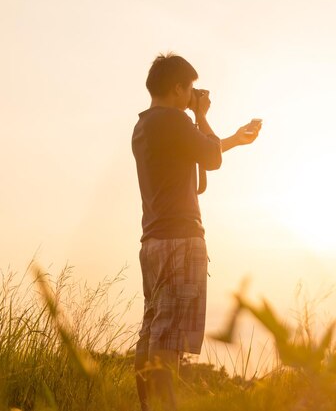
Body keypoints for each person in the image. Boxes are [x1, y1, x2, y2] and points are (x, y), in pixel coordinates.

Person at [131, 53, 261, 411]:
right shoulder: (172, 121)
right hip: (179, 239)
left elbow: (204, 155)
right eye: (189, 90)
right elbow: (211, 158)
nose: (192, 95)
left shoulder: (145, 125)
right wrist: (201, 115)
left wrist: (227, 136)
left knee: (153, 331)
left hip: (154, 240)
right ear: (177, 88)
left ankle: (150, 406)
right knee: (167, 337)